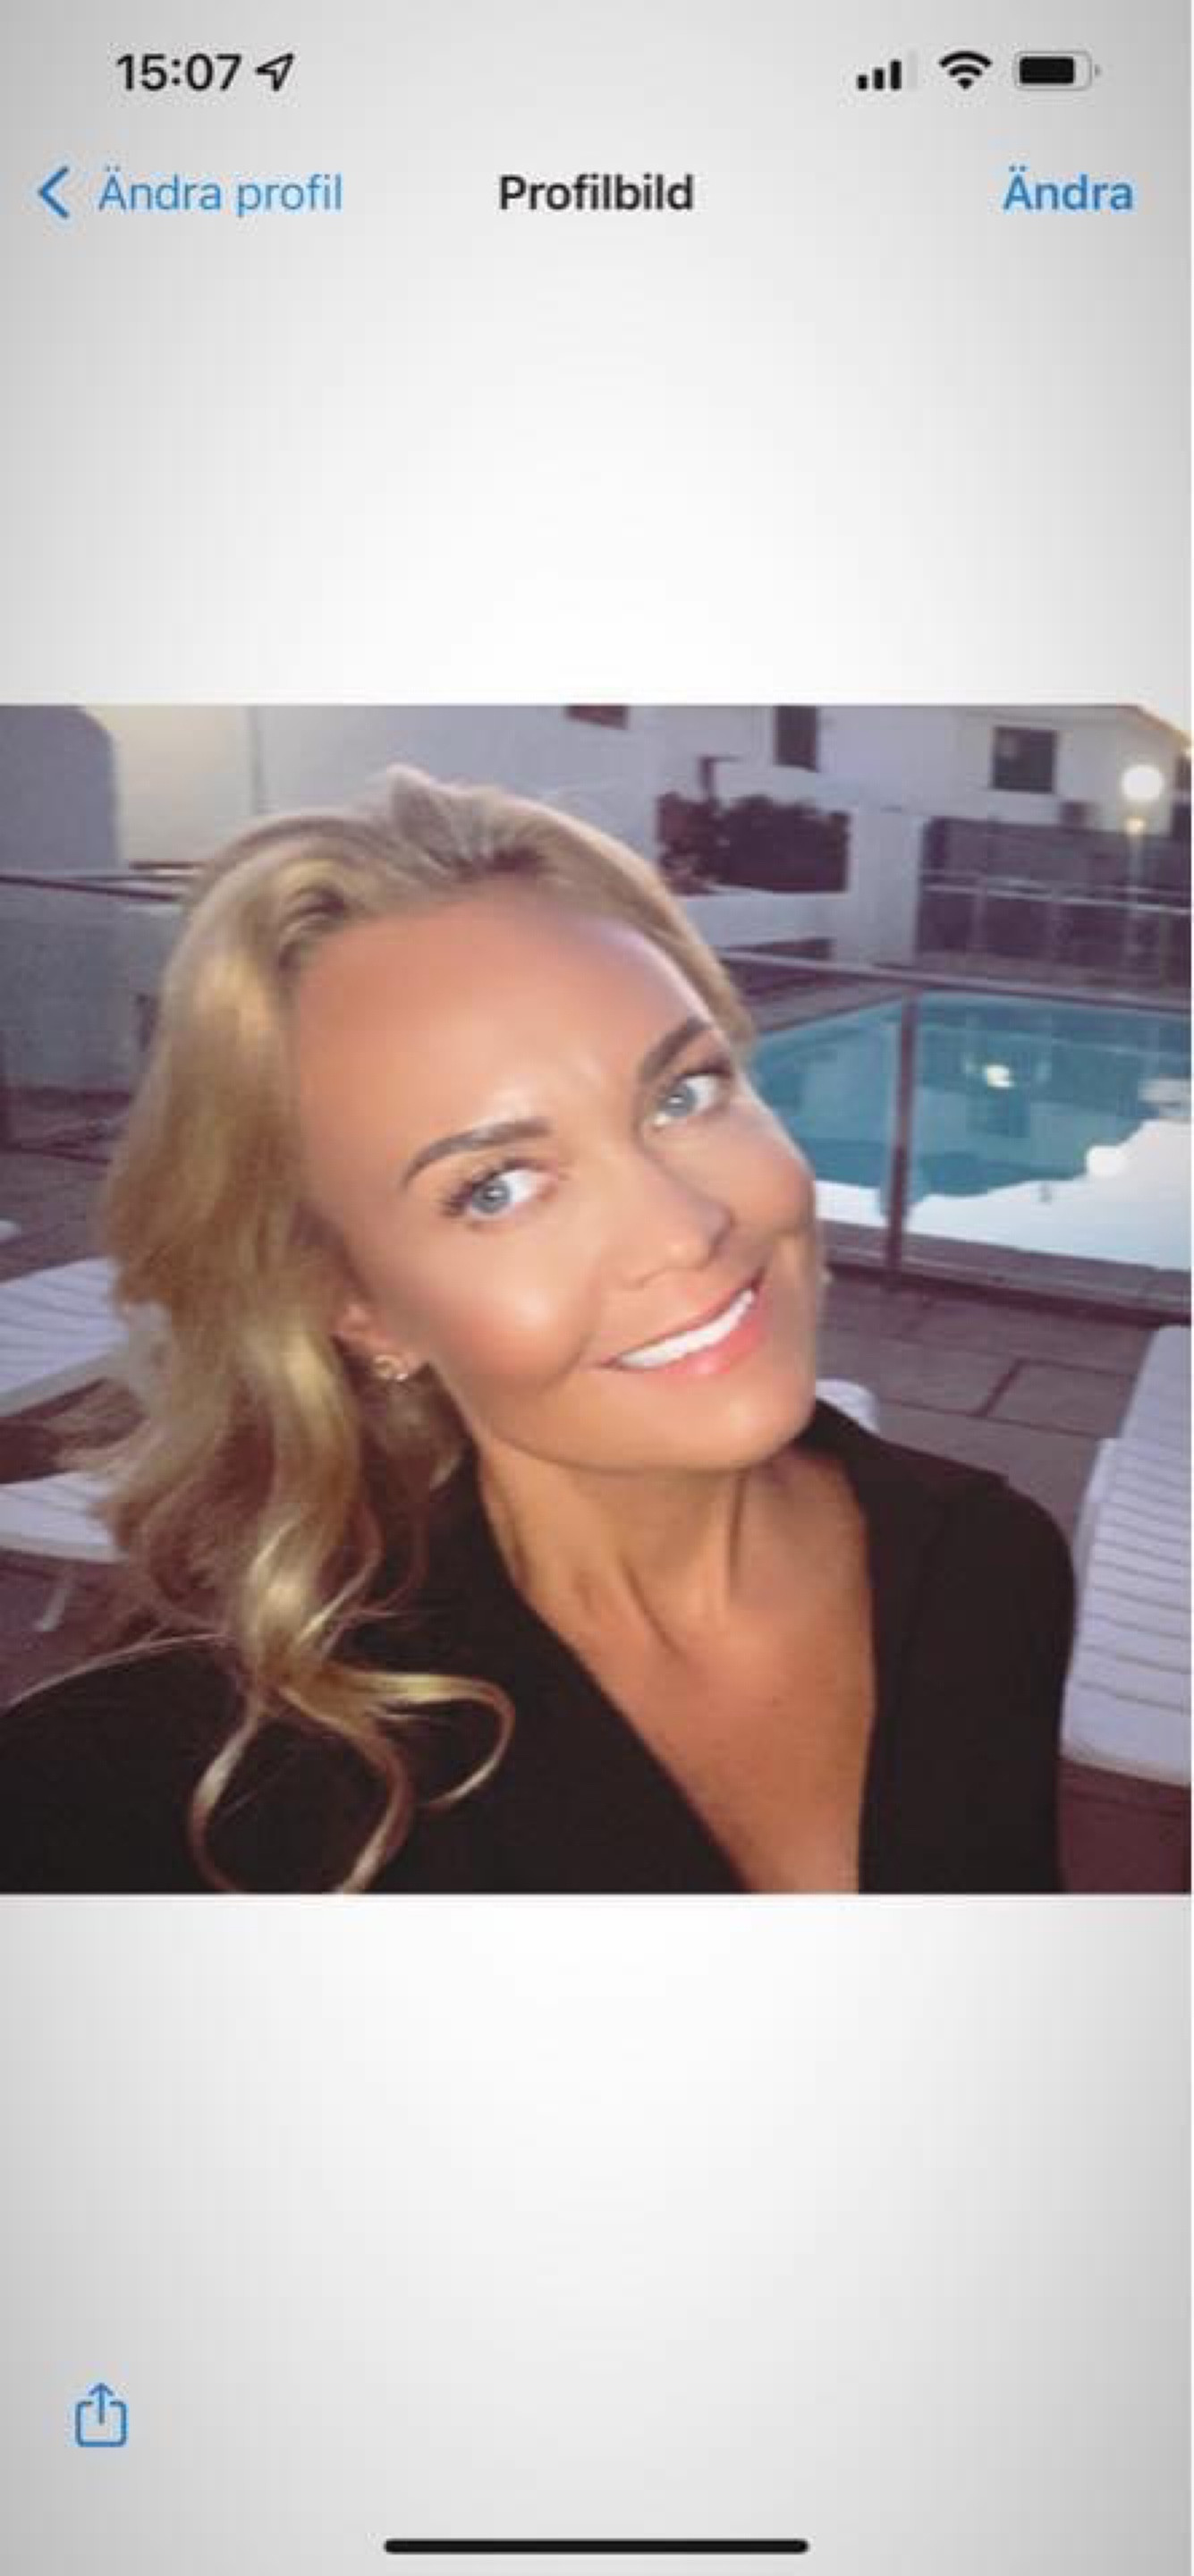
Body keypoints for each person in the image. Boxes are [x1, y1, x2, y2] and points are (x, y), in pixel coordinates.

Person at [0, 768, 1074, 1894]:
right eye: (496, 1188)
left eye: (683, 1095)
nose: (685, 1231)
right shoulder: (186, 1790)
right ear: (357, 1303)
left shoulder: (988, 1569)